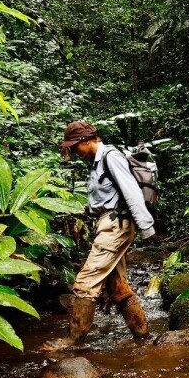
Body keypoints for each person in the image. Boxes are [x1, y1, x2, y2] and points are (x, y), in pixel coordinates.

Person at [42, 120, 156, 350]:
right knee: (117, 286)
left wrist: (146, 226)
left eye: (74, 146)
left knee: (86, 281)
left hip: (116, 225)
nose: (73, 151)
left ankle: (73, 340)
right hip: (109, 223)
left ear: (86, 140)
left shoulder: (110, 157)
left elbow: (131, 191)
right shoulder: (96, 162)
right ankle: (143, 336)